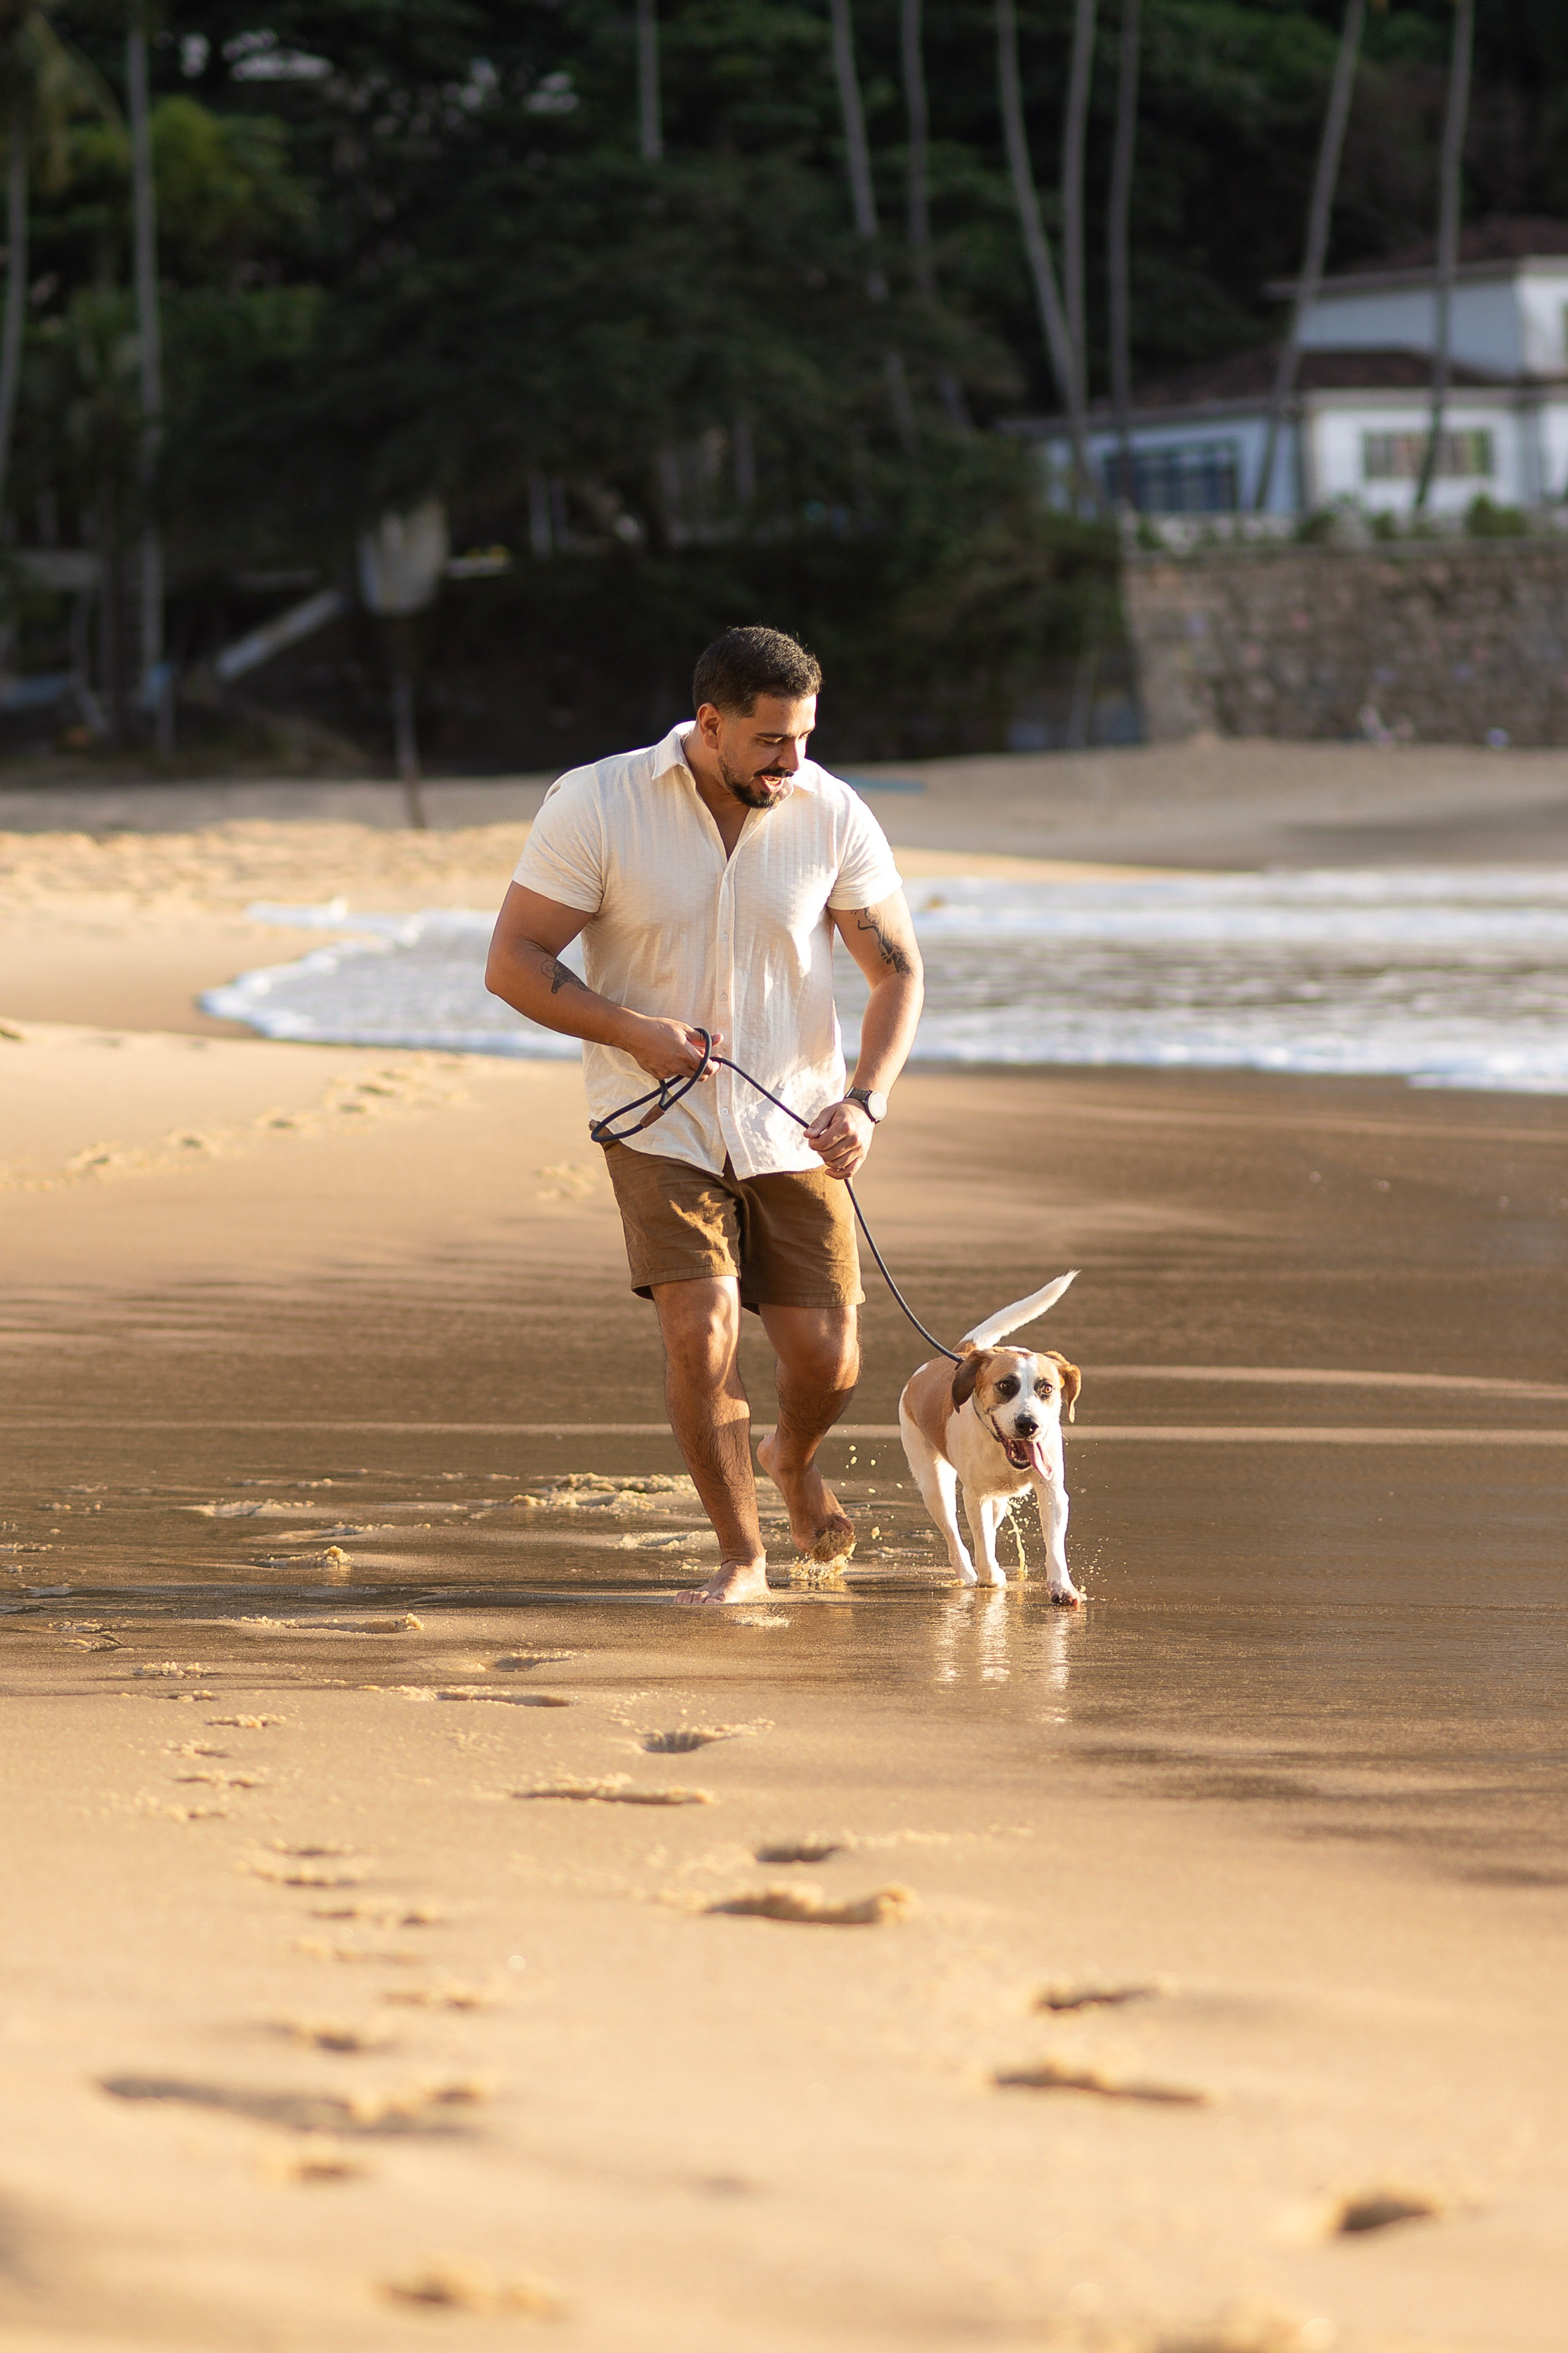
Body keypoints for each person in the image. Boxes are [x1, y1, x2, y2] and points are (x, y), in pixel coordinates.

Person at [485, 625, 924, 1603]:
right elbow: (512, 961)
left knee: (829, 1360)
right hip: (656, 1118)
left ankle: (791, 1457)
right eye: (772, 740)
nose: (792, 761)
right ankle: (743, 1556)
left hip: (796, 1121)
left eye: (804, 737)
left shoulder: (832, 811)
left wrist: (867, 1101)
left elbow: (897, 972)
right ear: (712, 723)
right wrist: (632, 1031)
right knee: (704, 1331)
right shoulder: (597, 802)